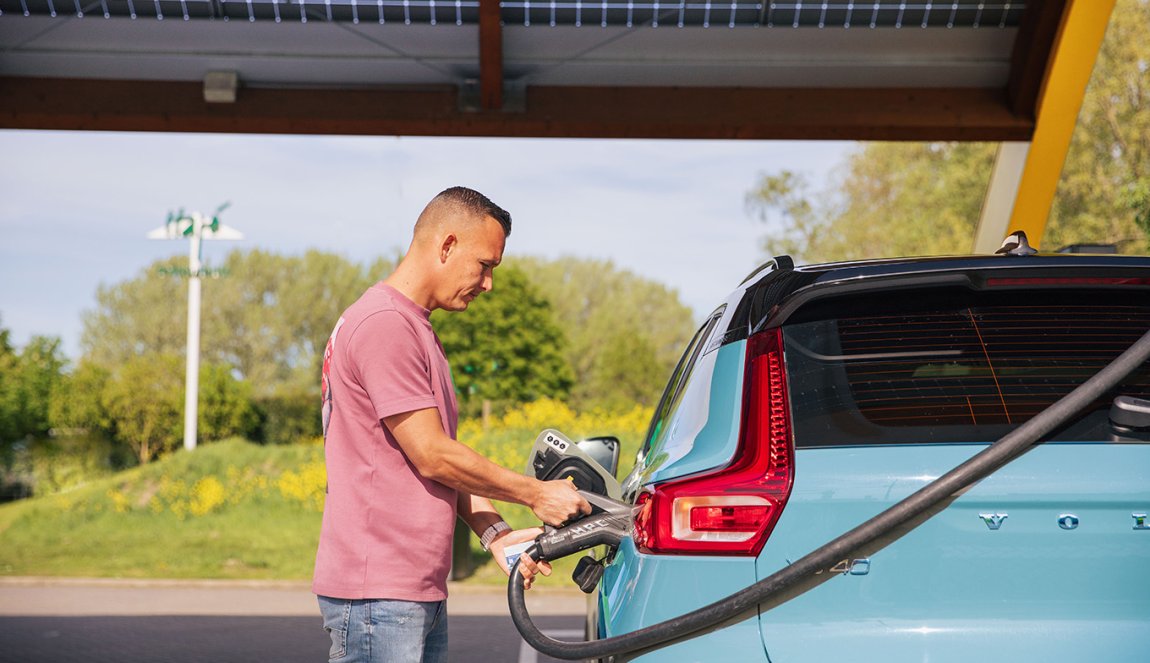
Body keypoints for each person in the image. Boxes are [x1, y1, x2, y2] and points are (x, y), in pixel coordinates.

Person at [313, 186, 590, 663]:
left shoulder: (413, 327)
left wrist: (494, 534)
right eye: (485, 265)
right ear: (446, 245)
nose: (488, 284)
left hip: (408, 590)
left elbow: (441, 462)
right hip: (380, 595)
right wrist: (535, 493)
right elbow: (432, 453)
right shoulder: (385, 325)